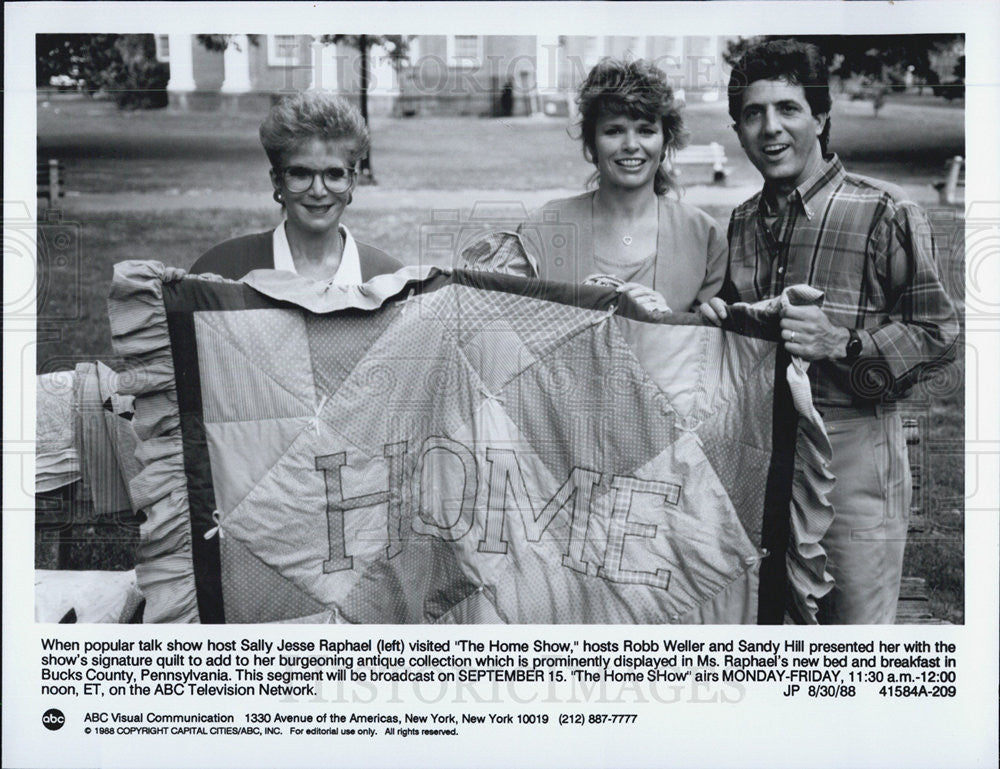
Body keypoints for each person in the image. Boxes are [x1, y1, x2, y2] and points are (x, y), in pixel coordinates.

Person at [700, 39, 958, 624]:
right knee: (768, 636)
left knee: (853, 648)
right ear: (739, 129)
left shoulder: (884, 211)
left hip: (854, 453)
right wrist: (717, 321)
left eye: (788, 109)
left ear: (820, 118)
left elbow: (939, 335)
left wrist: (840, 343)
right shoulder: (740, 222)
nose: (771, 128)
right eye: (753, 114)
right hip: (762, 457)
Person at [532, 58, 726, 315]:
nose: (631, 144)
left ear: (665, 142)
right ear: (591, 145)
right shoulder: (544, 228)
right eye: (614, 131)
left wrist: (666, 325)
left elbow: (709, 346)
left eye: (646, 130)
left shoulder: (704, 236)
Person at [191, 91, 402, 281]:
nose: (318, 191)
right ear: (277, 181)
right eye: (300, 173)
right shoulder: (222, 272)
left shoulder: (387, 280)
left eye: (334, 174)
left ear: (352, 182)